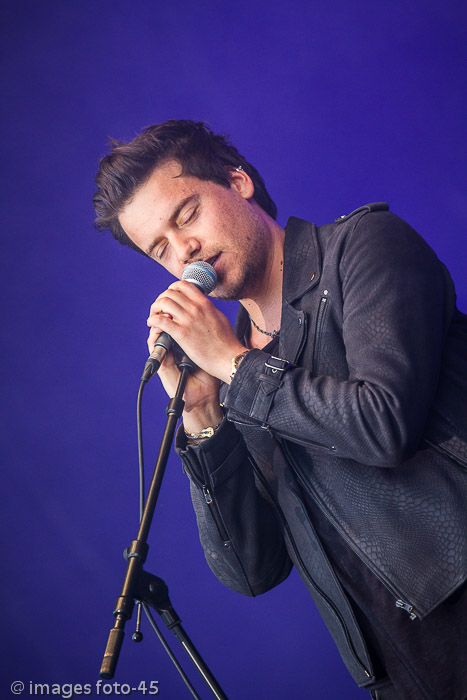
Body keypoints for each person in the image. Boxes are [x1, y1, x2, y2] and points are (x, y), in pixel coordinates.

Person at [93, 120, 467, 700]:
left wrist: (234, 365)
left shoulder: (364, 246)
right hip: (397, 670)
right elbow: (253, 570)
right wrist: (203, 415)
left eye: (186, 215)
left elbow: (384, 424)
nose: (183, 249)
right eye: (160, 248)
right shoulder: (233, 367)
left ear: (238, 182)